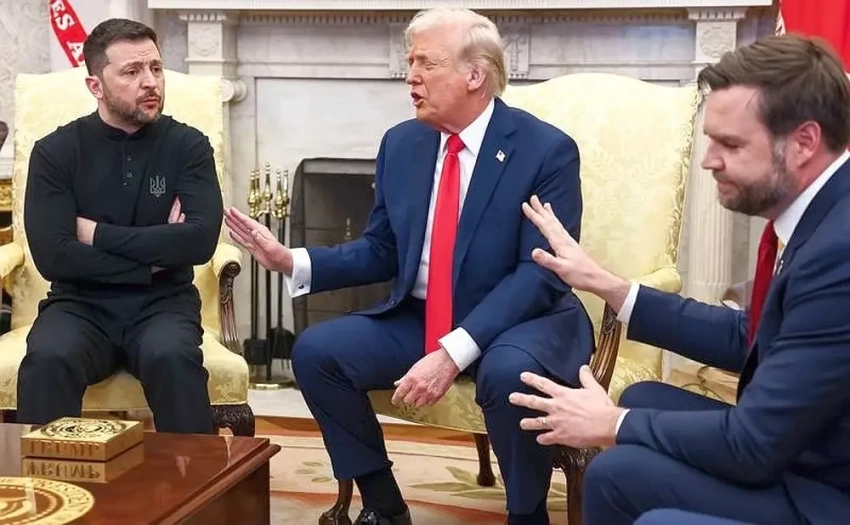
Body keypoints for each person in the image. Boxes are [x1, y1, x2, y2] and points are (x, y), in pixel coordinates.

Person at [225, 6, 593, 524]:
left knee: (509, 373)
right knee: (318, 353)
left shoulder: (545, 150)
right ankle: (384, 506)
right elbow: (382, 249)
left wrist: (452, 353)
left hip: (521, 321)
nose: (410, 76)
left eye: (426, 63)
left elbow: (539, 274)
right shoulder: (403, 143)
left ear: (475, 74)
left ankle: (527, 514)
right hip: (425, 315)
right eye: (410, 62)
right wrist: (292, 260)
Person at [508, 33, 850, 524]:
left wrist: (613, 424)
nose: (708, 160)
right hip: (806, 446)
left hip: (827, 490)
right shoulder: (820, 212)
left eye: (730, 144)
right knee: (641, 399)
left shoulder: (838, 254)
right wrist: (608, 285)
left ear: (804, 142)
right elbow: (752, 336)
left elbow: (754, 444)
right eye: (710, 139)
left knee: (617, 475)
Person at [18, 18, 223, 434]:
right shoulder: (56, 152)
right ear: (96, 86)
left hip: (163, 303)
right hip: (79, 304)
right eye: (132, 71)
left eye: (156, 68)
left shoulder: (188, 146)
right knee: (47, 359)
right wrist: (154, 257)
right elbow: (54, 257)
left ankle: (195, 478)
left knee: (173, 358)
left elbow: (199, 242)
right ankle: (45, 477)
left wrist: (96, 234)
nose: (150, 82)